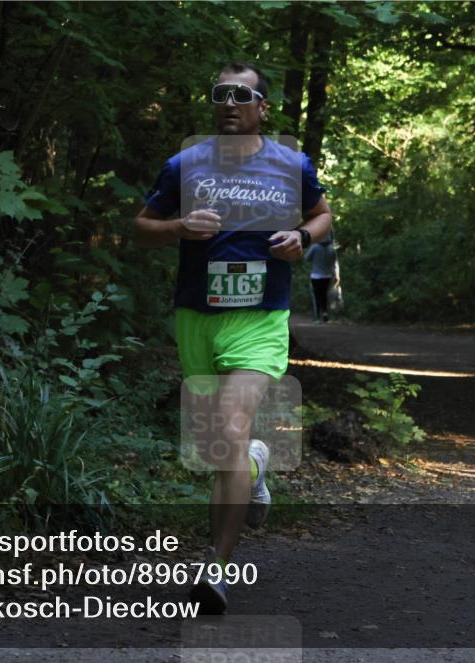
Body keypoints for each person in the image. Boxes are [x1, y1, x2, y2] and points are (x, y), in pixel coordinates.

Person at [133, 62, 332, 614]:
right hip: (197, 315)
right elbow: (141, 228)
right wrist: (177, 227)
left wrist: (300, 236)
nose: (229, 103)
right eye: (220, 94)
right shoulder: (185, 164)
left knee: (229, 428)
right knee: (222, 448)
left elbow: (323, 217)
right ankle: (255, 464)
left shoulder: (291, 164)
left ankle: (216, 571)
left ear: (262, 107)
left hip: (260, 318)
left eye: (241, 96)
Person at [305, 231, 337, 322]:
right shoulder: (332, 249)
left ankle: (317, 317)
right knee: (324, 295)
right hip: (328, 275)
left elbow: (306, 258)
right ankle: (325, 313)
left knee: (316, 296)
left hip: (316, 276)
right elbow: (333, 261)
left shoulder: (314, 247)